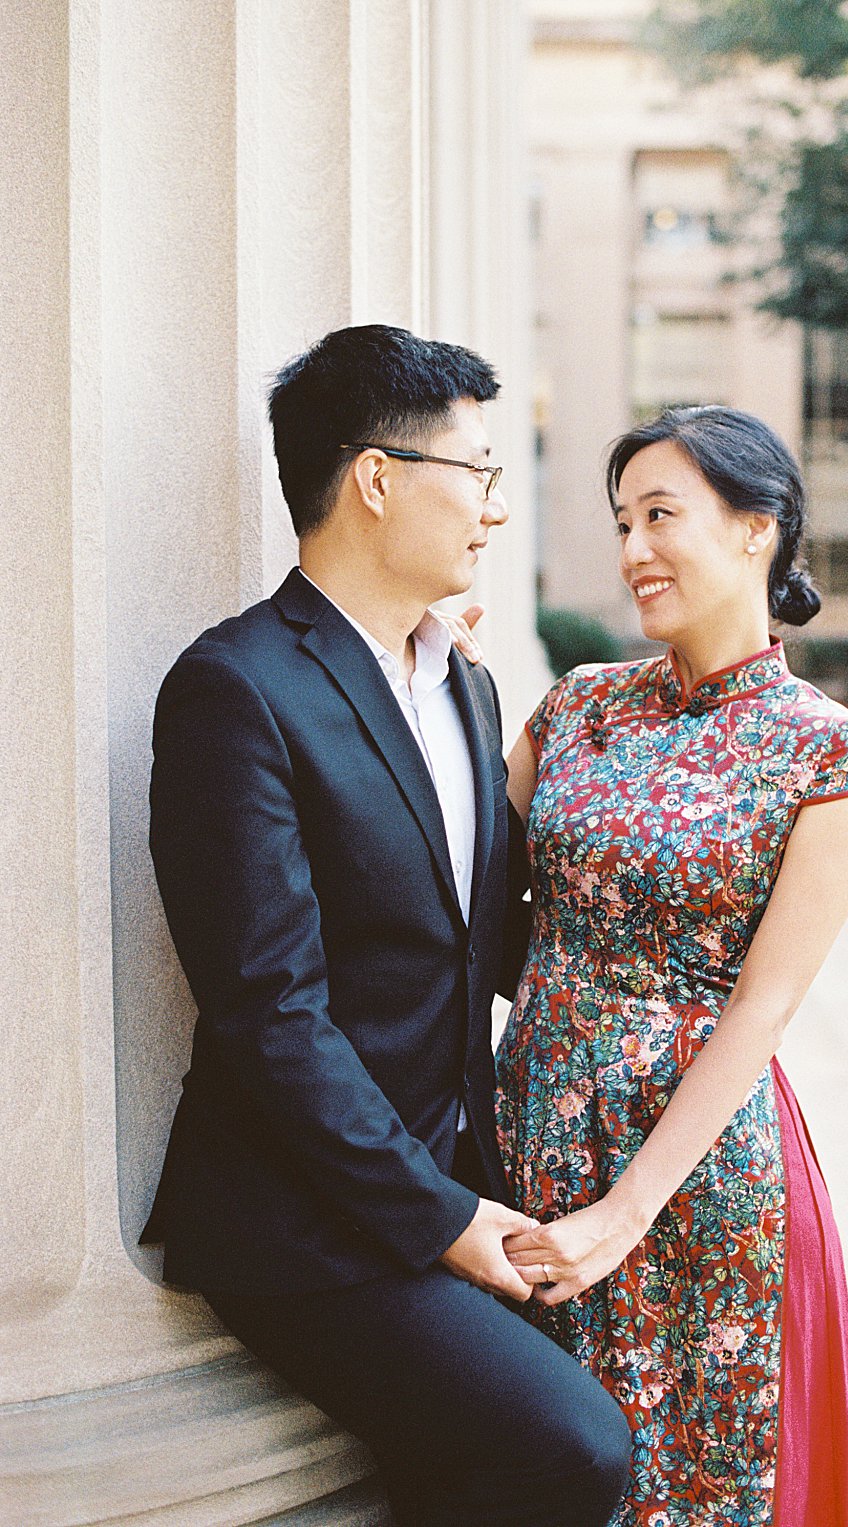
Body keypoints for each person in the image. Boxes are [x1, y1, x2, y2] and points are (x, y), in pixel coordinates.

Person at [144, 324, 632, 1525]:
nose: (495, 513)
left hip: (458, 1165)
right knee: (576, 1448)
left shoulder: (461, 682)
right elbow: (270, 1017)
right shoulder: (235, 688)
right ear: (375, 477)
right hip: (307, 1217)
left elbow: (487, 934)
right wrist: (445, 1220)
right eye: (476, 474)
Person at [494, 405, 848, 1525]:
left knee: (699, 1493)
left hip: (700, 1183)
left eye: (660, 516)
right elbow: (456, 903)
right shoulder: (574, 706)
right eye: (622, 522)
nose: (631, 552)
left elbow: (762, 1009)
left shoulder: (827, 748)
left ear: (757, 528)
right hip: (531, 1145)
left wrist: (621, 1215)